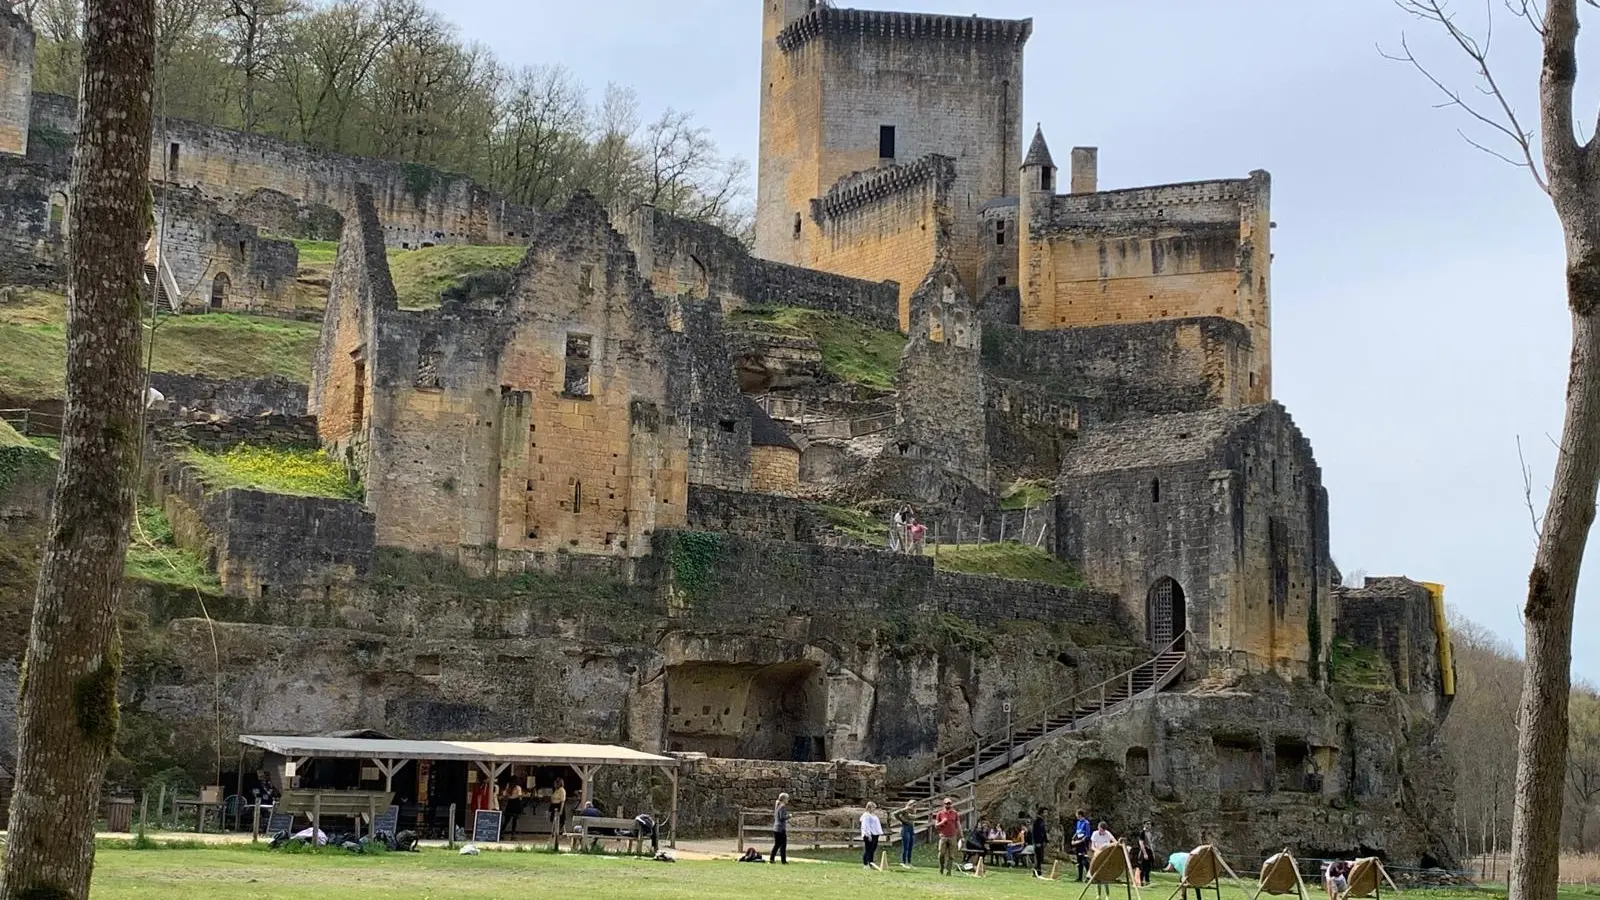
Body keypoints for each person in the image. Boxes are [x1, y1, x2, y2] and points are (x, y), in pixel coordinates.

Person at [933, 796, 961, 876]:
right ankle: (941, 868)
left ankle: (949, 871)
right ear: (944, 804)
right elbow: (936, 826)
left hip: (952, 836)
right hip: (943, 836)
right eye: (946, 804)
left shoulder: (955, 813)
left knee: (951, 855)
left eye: (949, 804)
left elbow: (958, 824)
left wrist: (961, 836)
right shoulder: (940, 813)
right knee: (941, 854)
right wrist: (942, 822)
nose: (948, 805)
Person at [1089, 823, 1117, 897]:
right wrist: (1098, 851)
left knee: (1105, 876)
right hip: (1097, 854)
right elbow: (1092, 847)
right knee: (1097, 875)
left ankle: (1107, 895)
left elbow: (1115, 842)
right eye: (1100, 830)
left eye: (1103, 830)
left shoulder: (1108, 833)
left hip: (1106, 855)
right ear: (1098, 828)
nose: (1101, 832)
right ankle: (1098, 895)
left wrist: (1109, 845)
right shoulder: (1095, 834)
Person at [893, 799, 917, 868]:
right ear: (910, 804)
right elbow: (895, 814)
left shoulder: (914, 811)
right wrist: (902, 820)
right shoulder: (905, 810)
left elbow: (913, 818)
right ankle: (903, 862)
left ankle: (909, 862)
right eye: (913, 805)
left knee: (910, 846)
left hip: (911, 828)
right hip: (905, 828)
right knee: (905, 846)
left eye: (915, 805)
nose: (914, 807)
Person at [860, 802, 883, 869]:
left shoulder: (874, 815)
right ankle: (865, 863)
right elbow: (866, 825)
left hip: (875, 834)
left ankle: (871, 862)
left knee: (873, 849)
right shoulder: (866, 815)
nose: (874, 809)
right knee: (868, 849)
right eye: (873, 807)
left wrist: (879, 832)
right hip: (869, 835)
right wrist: (868, 834)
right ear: (869, 808)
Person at [1072, 810, 1093, 881]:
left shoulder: (1086, 823)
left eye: (1077, 815)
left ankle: (1089, 876)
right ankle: (1079, 877)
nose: (1076, 816)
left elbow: (1088, 834)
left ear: (1080, 815)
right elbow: (1077, 832)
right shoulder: (1078, 822)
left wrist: (1082, 840)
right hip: (1078, 842)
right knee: (1079, 860)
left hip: (1083, 843)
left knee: (1084, 859)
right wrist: (1074, 838)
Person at [770, 792, 790, 865]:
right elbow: (782, 817)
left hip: (776, 828)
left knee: (777, 844)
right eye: (787, 799)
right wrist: (789, 816)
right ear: (784, 799)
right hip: (780, 828)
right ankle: (783, 860)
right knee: (783, 845)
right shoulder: (782, 806)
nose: (788, 800)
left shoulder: (777, 806)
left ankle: (772, 859)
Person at [1030, 806, 1050, 879]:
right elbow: (1035, 832)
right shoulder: (1037, 821)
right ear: (1041, 813)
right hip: (1037, 842)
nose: (1046, 814)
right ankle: (1037, 872)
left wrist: (1046, 840)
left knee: (1040, 857)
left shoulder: (1042, 821)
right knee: (1038, 857)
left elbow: (1043, 832)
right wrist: (1037, 842)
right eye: (1045, 812)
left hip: (1041, 842)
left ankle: (1037, 871)